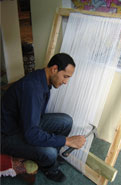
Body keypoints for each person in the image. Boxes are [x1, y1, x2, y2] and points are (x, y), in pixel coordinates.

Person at [1, 53, 86, 182]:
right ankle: (49, 167)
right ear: (54, 69)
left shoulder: (42, 79)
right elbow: (31, 134)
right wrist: (66, 141)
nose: (66, 82)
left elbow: (33, 121)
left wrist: (59, 140)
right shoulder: (32, 88)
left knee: (66, 121)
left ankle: (49, 160)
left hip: (23, 123)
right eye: (65, 76)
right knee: (50, 152)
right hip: (7, 135)